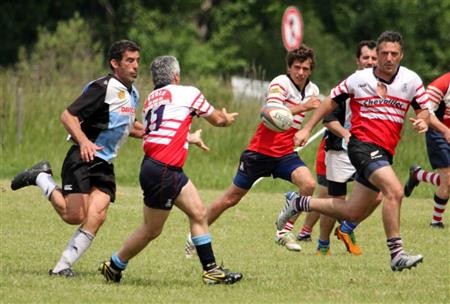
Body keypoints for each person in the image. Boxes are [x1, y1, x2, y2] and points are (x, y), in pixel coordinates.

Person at [276, 31, 430, 271]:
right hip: (361, 145)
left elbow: (423, 109)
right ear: (376, 55)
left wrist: (424, 120)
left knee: (351, 211)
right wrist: (306, 128)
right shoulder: (359, 80)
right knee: (395, 191)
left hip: (385, 150)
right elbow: (329, 102)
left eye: (394, 54)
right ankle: (397, 254)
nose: (389, 58)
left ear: (401, 55)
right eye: (384, 53)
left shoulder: (411, 80)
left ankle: (298, 203)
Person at [98, 55, 242, 285]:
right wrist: (225, 119)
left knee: (198, 213)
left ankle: (211, 271)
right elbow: (216, 119)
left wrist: (189, 137)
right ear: (176, 75)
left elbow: (163, 129)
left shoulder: (150, 100)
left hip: (157, 167)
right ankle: (114, 265)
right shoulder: (187, 92)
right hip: (165, 169)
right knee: (151, 230)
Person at [10, 40, 145, 277]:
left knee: (98, 215)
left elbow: (128, 125)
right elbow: (68, 115)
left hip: (105, 163)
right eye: (129, 61)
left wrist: (159, 134)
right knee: (75, 216)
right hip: (82, 158)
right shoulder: (103, 88)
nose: (135, 66)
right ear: (115, 63)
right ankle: (40, 176)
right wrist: (83, 141)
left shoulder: (132, 93)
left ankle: (62, 267)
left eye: (137, 61)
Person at [185, 45, 321, 255]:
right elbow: (269, 112)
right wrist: (303, 107)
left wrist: (306, 129)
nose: (301, 72)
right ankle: (195, 236)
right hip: (259, 153)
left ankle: (283, 231)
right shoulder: (280, 83)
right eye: (297, 67)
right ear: (289, 67)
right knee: (230, 199)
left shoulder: (313, 90)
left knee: (309, 185)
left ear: (311, 70)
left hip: (285, 153)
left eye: (305, 68)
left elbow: (320, 110)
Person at [316, 40, 381, 256]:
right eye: (366, 58)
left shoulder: (383, 87)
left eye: (374, 58)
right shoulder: (349, 85)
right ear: (358, 60)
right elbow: (328, 118)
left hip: (367, 151)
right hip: (340, 152)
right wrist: (346, 134)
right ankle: (322, 245)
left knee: (379, 195)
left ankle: (346, 228)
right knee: (336, 202)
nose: (370, 62)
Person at [403, 72, 450, 228]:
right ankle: (436, 222)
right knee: (448, 178)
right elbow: (426, 112)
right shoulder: (441, 84)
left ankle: (418, 174)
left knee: (447, 180)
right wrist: (444, 131)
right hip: (438, 132)